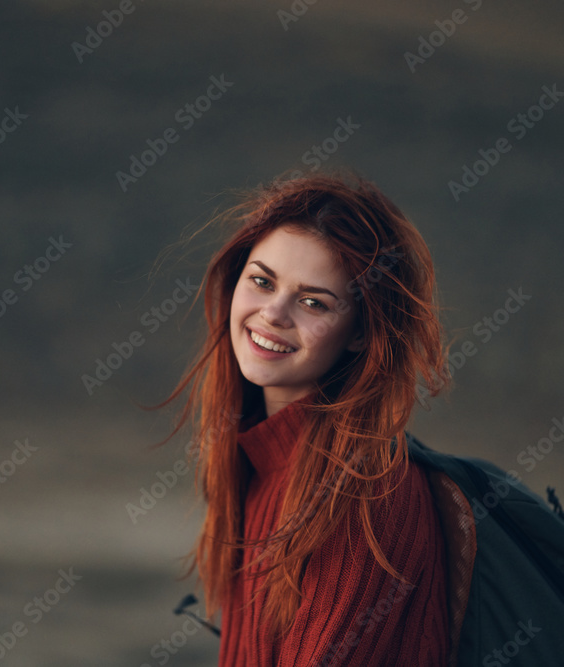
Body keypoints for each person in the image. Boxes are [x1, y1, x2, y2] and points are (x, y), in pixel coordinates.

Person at [150, 171, 452, 666]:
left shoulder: (365, 493)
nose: (273, 313)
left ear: (360, 334)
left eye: (313, 301)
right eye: (262, 281)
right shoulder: (257, 464)